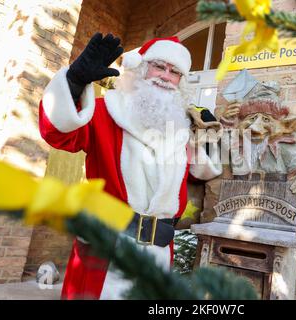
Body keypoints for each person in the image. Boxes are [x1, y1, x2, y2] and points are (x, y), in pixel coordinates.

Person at [39, 33, 222, 299]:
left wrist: (209, 136)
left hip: (158, 252)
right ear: (141, 69)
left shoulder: (179, 128)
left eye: (174, 72)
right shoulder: (106, 110)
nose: (165, 76)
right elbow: (57, 133)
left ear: (180, 82)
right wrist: (74, 82)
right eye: (159, 66)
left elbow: (205, 171)